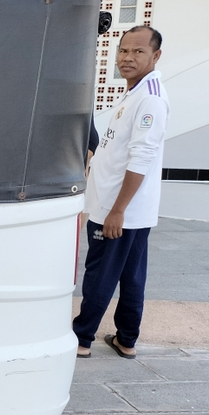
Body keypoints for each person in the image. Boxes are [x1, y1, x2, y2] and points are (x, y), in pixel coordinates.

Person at [73, 26, 168, 359]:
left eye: (138, 52)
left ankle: (82, 338)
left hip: (117, 211)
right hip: (124, 210)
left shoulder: (150, 98)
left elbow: (141, 157)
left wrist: (117, 210)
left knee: (101, 274)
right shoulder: (135, 92)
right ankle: (126, 338)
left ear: (155, 56)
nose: (128, 57)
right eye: (124, 50)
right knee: (130, 276)